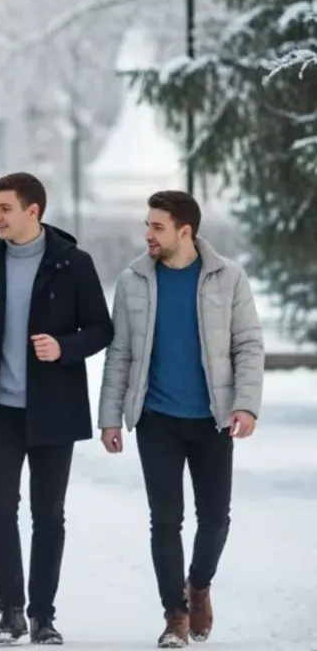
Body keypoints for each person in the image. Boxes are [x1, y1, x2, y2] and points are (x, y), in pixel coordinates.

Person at [97, 190, 263, 648]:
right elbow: (120, 353)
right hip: (158, 420)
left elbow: (248, 345)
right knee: (165, 520)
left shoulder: (228, 278)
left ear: (184, 231)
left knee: (216, 519)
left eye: (157, 227)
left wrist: (246, 404)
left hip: (212, 420)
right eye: (147, 225)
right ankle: (175, 616)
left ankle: (199, 585)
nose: (148, 234)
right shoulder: (133, 280)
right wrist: (110, 417)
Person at [0, 172, 113, 644]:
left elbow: (101, 329)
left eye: (5, 208)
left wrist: (64, 347)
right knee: (0, 511)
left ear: (33, 211)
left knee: (48, 514)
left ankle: (43, 615)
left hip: (54, 410)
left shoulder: (73, 263)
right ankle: (11, 612)